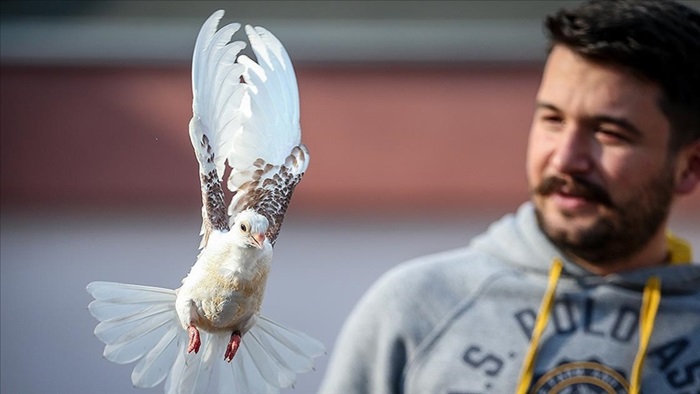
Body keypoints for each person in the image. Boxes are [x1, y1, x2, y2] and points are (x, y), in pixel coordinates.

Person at [318, 1, 700, 393]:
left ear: (689, 167)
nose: (566, 159)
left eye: (609, 133)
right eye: (552, 119)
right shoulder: (417, 309)